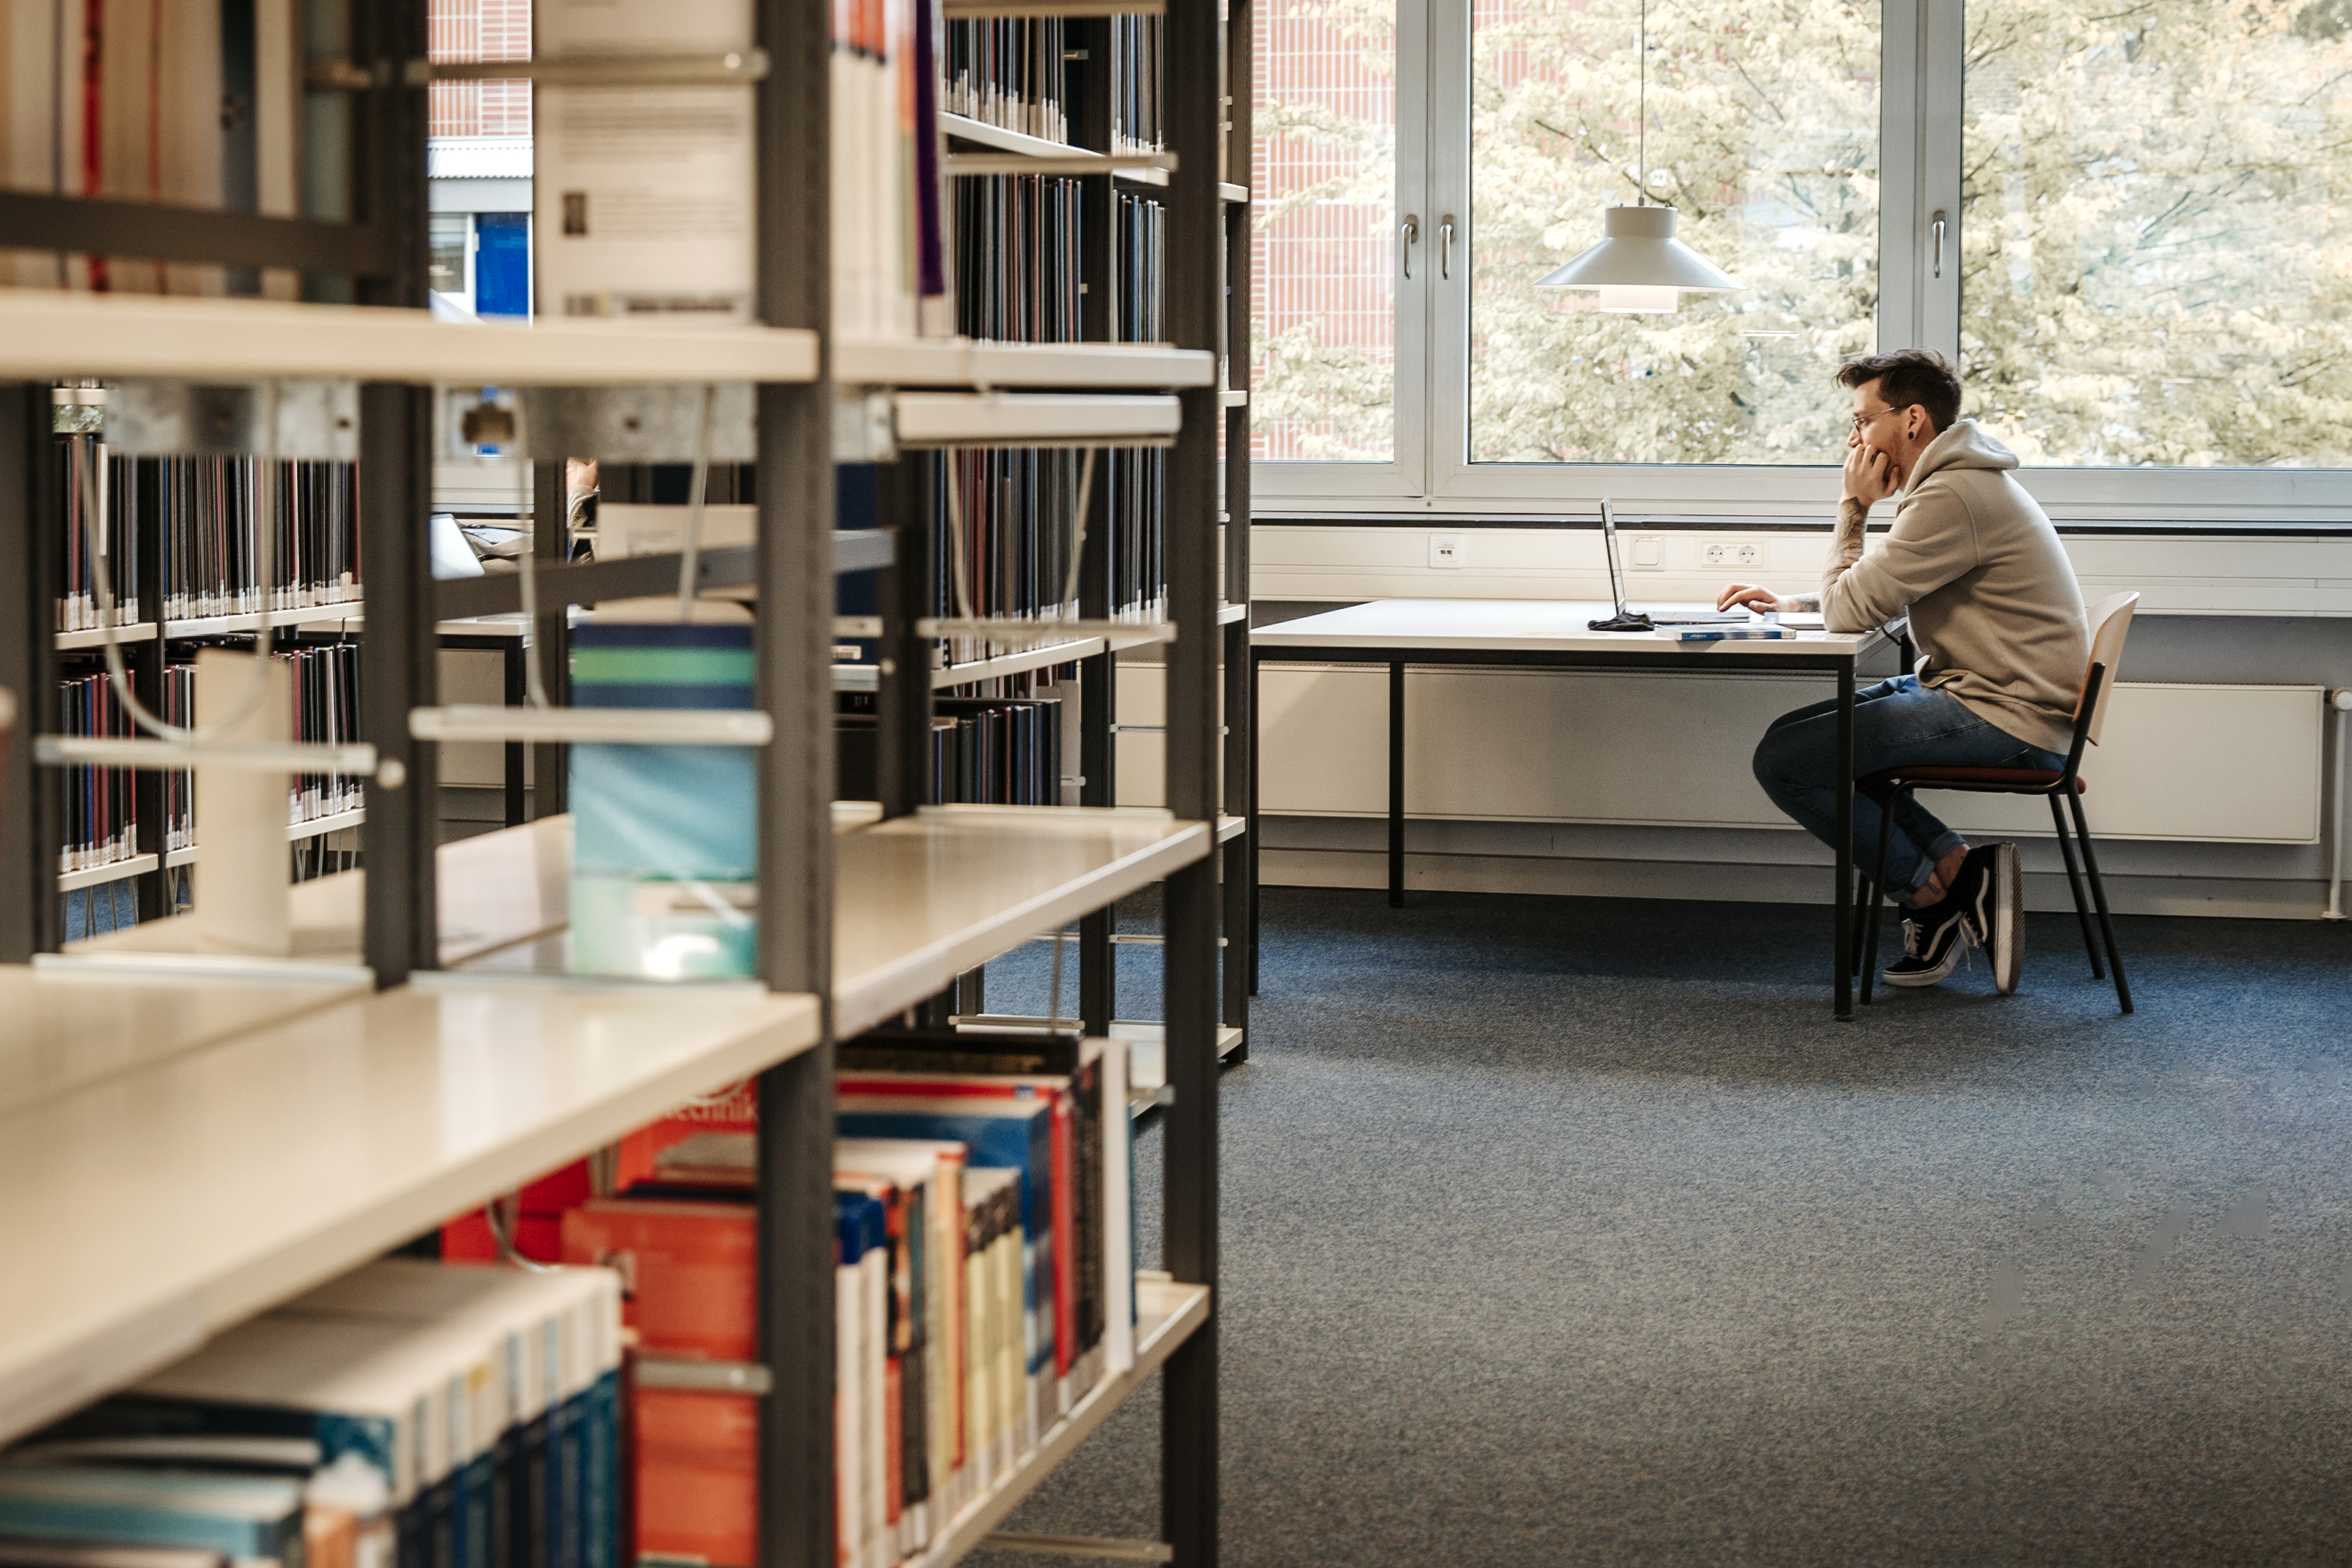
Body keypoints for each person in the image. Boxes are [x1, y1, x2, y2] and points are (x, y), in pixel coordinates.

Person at [1718, 348, 2088, 993]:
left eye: (1864, 419)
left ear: (1912, 419)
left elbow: (1850, 612)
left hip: (2006, 712)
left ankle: (1931, 900)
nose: (1854, 437)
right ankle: (1960, 872)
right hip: (1985, 691)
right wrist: (1795, 605)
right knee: (1794, 744)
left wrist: (1853, 505)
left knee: (1788, 762)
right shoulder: (1958, 483)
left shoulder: (1953, 495)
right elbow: (1872, 597)